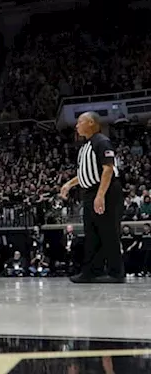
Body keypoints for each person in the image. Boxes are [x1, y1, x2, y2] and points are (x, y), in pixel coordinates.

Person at [60, 111, 124, 283]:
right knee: (92, 235)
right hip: (89, 192)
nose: (76, 125)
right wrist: (68, 184)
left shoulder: (102, 141)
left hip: (105, 191)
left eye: (79, 122)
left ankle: (116, 273)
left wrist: (100, 195)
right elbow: (85, 173)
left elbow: (108, 169)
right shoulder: (85, 146)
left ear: (90, 123)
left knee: (109, 232)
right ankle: (92, 271)